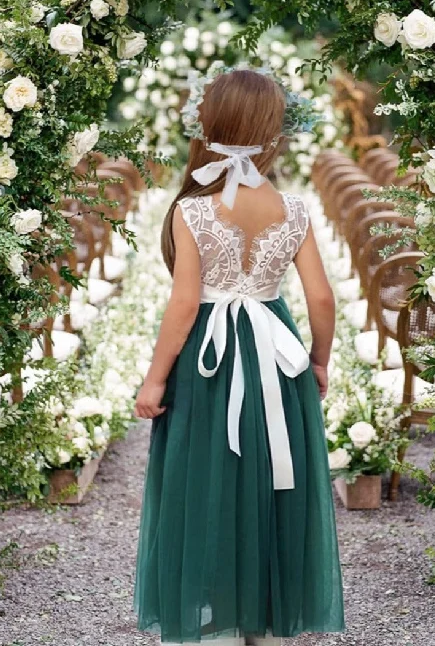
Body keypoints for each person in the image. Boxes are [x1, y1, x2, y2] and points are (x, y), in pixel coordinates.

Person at [133, 69, 345, 645]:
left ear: (208, 126)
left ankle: (215, 625)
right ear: (274, 131)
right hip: (279, 356)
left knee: (207, 478)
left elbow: (183, 307)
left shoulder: (193, 210)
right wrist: (319, 361)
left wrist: (154, 382)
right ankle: (268, 626)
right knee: (273, 485)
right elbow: (321, 298)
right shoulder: (293, 209)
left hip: (211, 358)